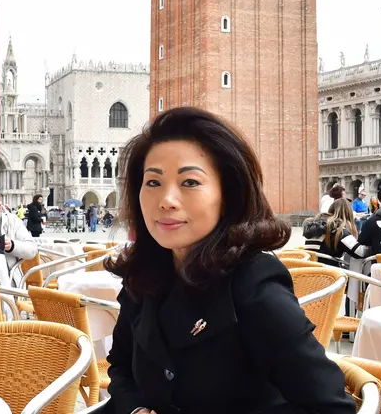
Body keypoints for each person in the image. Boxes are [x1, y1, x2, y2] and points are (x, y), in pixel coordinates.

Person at [105, 107, 353, 413]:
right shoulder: (144, 274)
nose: (166, 200)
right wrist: (136, 409)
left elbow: (330, 406)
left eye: (190, 182)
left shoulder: (253, 285)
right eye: (153, 182)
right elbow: (120, 367)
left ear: (229, 195)